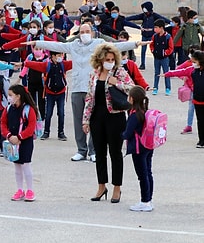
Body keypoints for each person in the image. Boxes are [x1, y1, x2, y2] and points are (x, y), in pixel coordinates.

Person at [27, 24, 144, 162]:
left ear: (92, 33)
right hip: (77, 87)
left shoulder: (98, 43)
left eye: (87, 31)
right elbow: (56, 45)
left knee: (93, 120)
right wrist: (36, 42)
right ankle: (81, 150)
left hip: (93, 88)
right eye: (82, 32)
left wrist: (136, 43)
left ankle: (92, 150)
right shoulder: (73, 45)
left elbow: (116, 46)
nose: (84, 34)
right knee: (79, 121)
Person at [82, 43, 134, 204]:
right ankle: (101, 186)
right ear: (100, 59)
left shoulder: (120, 72)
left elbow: (133, 89)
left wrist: (116, 83)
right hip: (97, 117)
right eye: (107, 59)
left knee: (115, 153)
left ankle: (117, 187)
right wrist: (85, 120)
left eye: (112, 59)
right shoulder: (94, 74)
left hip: (115, 117)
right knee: (100, 153)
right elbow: (89, 98)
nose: (110, 62)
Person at [1, 84, 38, 202]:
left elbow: (31, 127)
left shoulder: (28, 109)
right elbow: (3, 123)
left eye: (11, 95)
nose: (9, 97)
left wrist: (20, 137)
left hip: (25, 142)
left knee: (26, 165)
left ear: (18, 96)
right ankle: (20, 190)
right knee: (17, 166)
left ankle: (30, 190)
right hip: (12, 141)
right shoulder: (8, 109)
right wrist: (9, 136)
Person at [25, 51, 72, 141]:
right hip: (50, 93)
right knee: (48, 113)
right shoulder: (47, 65)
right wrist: (24, 63)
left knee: (61, 113)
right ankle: (46, 132)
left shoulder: (63, 64)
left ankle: (61, 133)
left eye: (61, 55)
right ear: (53, 56)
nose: (61, 57)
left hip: (61, 92)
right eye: (59, 55)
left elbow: (75, 63)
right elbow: (35, 65)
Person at [122, 86, 154, 212]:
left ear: (132, 99)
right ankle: (149, 199)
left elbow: (127, 133)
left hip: (138, 148)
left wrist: (119, 135)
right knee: (148, 173)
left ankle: (144, 201)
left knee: (142, 175)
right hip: (148, 146)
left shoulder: (134, 115)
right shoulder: (145, 111)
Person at [125, 1, 170, 70]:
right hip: (144, 35)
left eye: (145, 8)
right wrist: (124, 18)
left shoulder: (154, 15)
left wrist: (171, 22)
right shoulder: (143, 15)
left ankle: (157, 63)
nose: (144, 10)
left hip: (152, 36)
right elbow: (134, 17)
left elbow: (163, 19)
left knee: (155, 50)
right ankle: (142, 64)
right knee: (143, 50)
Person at [149, 19, 173, 96]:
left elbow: (171, 48)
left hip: (164, 58)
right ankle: (155, 88)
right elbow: (151, 45)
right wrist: (153, 51)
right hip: (156, 58)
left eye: (156, 27)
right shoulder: (154, 36)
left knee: (166, 73)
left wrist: (165, 53)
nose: (154, 29)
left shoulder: (168, 37)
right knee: (156, 73)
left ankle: (168, 88)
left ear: (161, 28)